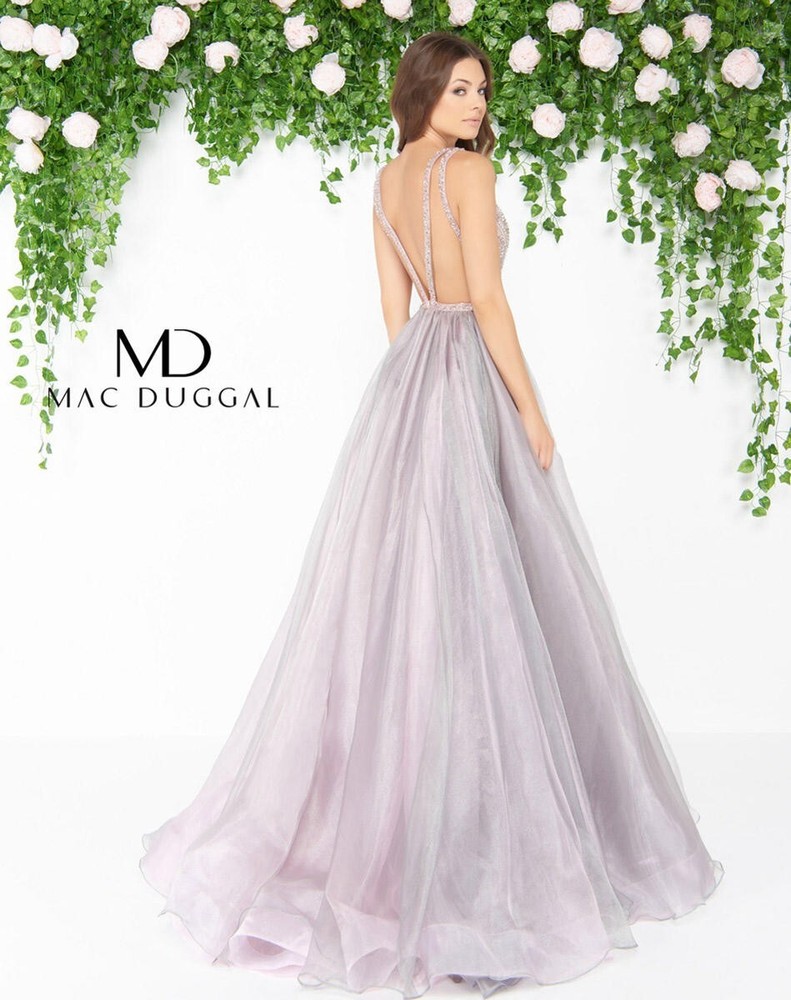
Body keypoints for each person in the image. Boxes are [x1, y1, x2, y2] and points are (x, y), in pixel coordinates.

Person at [139, 30, 724, 1000]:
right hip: (468, 376)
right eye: (457, 89)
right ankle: (489, 846)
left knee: (414, 591)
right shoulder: (468, 172)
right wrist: (528, 409)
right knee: (489, 585)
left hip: (411, 381)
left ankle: (415, 815)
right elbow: (485, 297)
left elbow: (393, 310)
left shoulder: (383, 182)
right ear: (421, 92)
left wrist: (413, 394)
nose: (474, 103)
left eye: (480, 89)